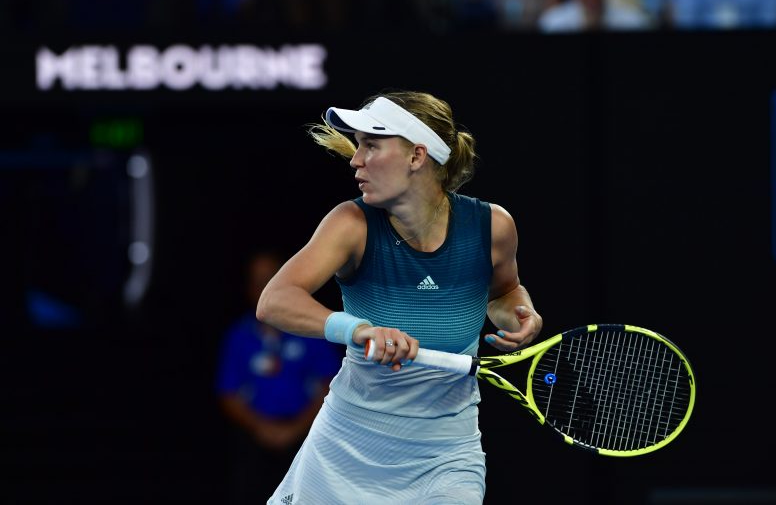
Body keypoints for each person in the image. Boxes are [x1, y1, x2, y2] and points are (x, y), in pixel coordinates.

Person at [256, 90, 543, 504]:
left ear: (416, 156)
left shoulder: (492, 227)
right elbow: (275, 301)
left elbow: (503, 291)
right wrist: (359, 329)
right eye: (358, 146)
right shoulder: (351, 224)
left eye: (371, 145)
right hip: (346, 446)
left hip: (445, 456)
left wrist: (519, 312)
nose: (356, 160)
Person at [216, 250, 343, 505]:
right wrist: (262, 428)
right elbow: (227, 393)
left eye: (271, 280)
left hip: (305, 437)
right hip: (254, 438)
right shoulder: (238, 336)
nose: (265, 289)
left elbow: (331, 386)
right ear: (249, 289)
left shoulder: (311, 329)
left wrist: (296, 430)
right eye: (258, 282)